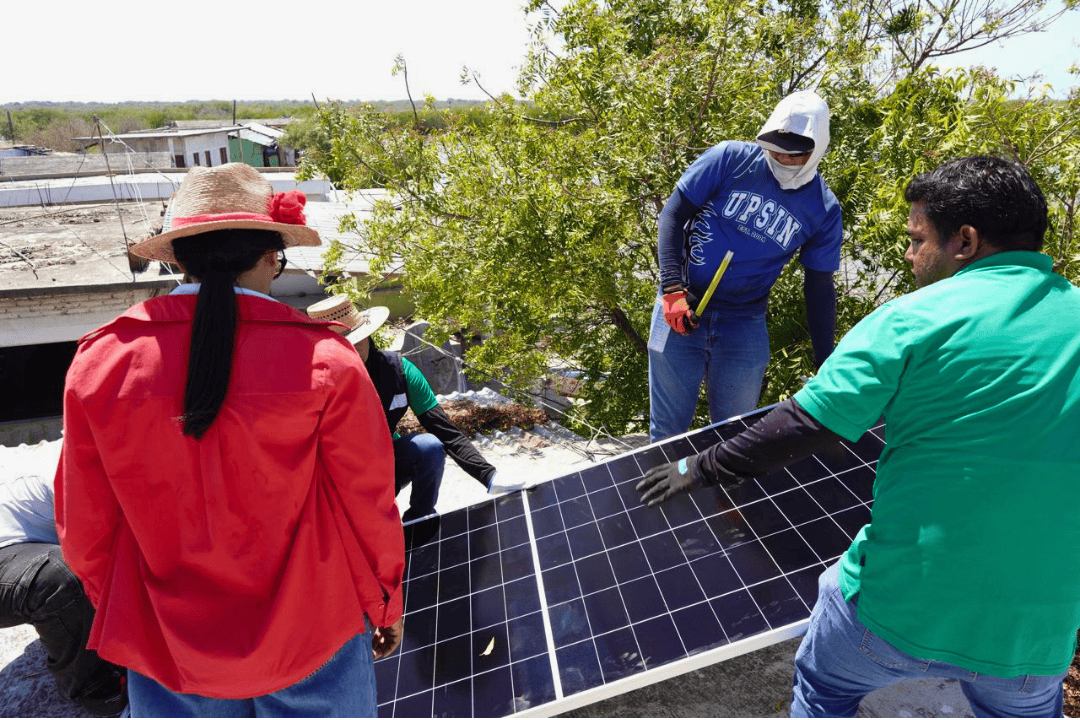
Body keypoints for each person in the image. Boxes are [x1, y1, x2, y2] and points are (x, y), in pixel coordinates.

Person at [637, 155, 1080, 717]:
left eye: (918, 239)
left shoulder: (914, 318)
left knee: (825, 689)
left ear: (964, 241)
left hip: (895, 618)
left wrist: (696, 467)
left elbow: (804, 424)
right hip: (1035, 639)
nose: (909, 254)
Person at [55, 163, 405, 717]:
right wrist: (382, 603)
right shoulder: (326, 360)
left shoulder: (101, 360)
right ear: (271, 256)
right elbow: (367, 506)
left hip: (168, 646)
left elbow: (84, 528)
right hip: (313, 631)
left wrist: (130, 617)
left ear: (176, 257)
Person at [648, 89, 843, 442]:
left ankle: (724, 498)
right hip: (680, 306)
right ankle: (664, 498)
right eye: (776, 150)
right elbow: (673, 215)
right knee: (667, 432)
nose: (781, 158)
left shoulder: (824, 209)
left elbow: (818, 285)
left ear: (817, 149)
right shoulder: (729, 159)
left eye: (793, 154)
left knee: (735, 433)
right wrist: (673, 290)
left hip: (743, 323)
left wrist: (824, 358)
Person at [306, 295, 525, 521]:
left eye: (355, 340)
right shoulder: (312, 386)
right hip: (338, 480)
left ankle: (419, 521)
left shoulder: (400, 371)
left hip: (386, 463)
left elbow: (444, 430)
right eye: (340, 345)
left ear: (368, 334)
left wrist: (489, 476)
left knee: (428, 447)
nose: (349, 350)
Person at [1, 451, 126, 717]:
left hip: (24, 538)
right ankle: (94, 687)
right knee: (58, 578)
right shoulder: (79, 475)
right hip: (6, 551)